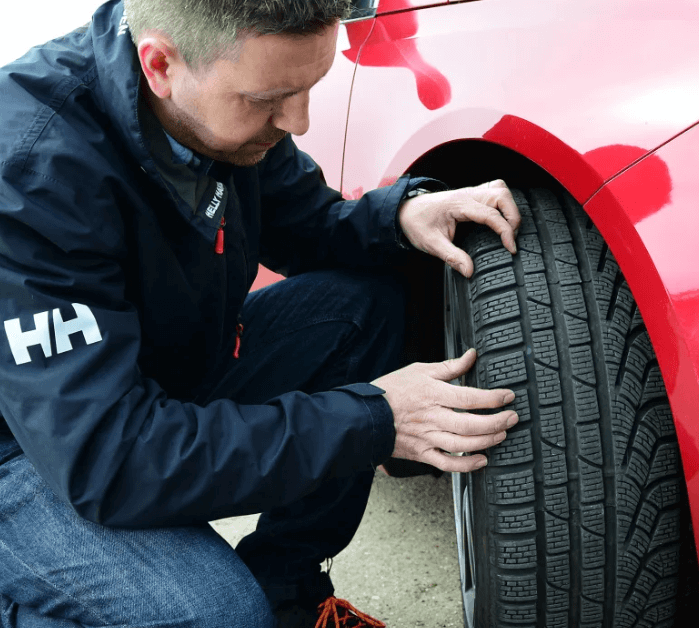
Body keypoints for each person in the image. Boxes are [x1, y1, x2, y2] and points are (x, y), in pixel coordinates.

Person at [0, 0, 521, 626]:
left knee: (371, 309)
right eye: (269, 98)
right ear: (160, 64)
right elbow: (108, 459)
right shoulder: (30, 177)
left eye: (308, 89)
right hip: (36, 448)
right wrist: (374, 421)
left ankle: (289, 596)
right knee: (218, 613)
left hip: (160, 371)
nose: (296, 121)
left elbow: (303, 222)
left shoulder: (213, 100)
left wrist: (398, 217)